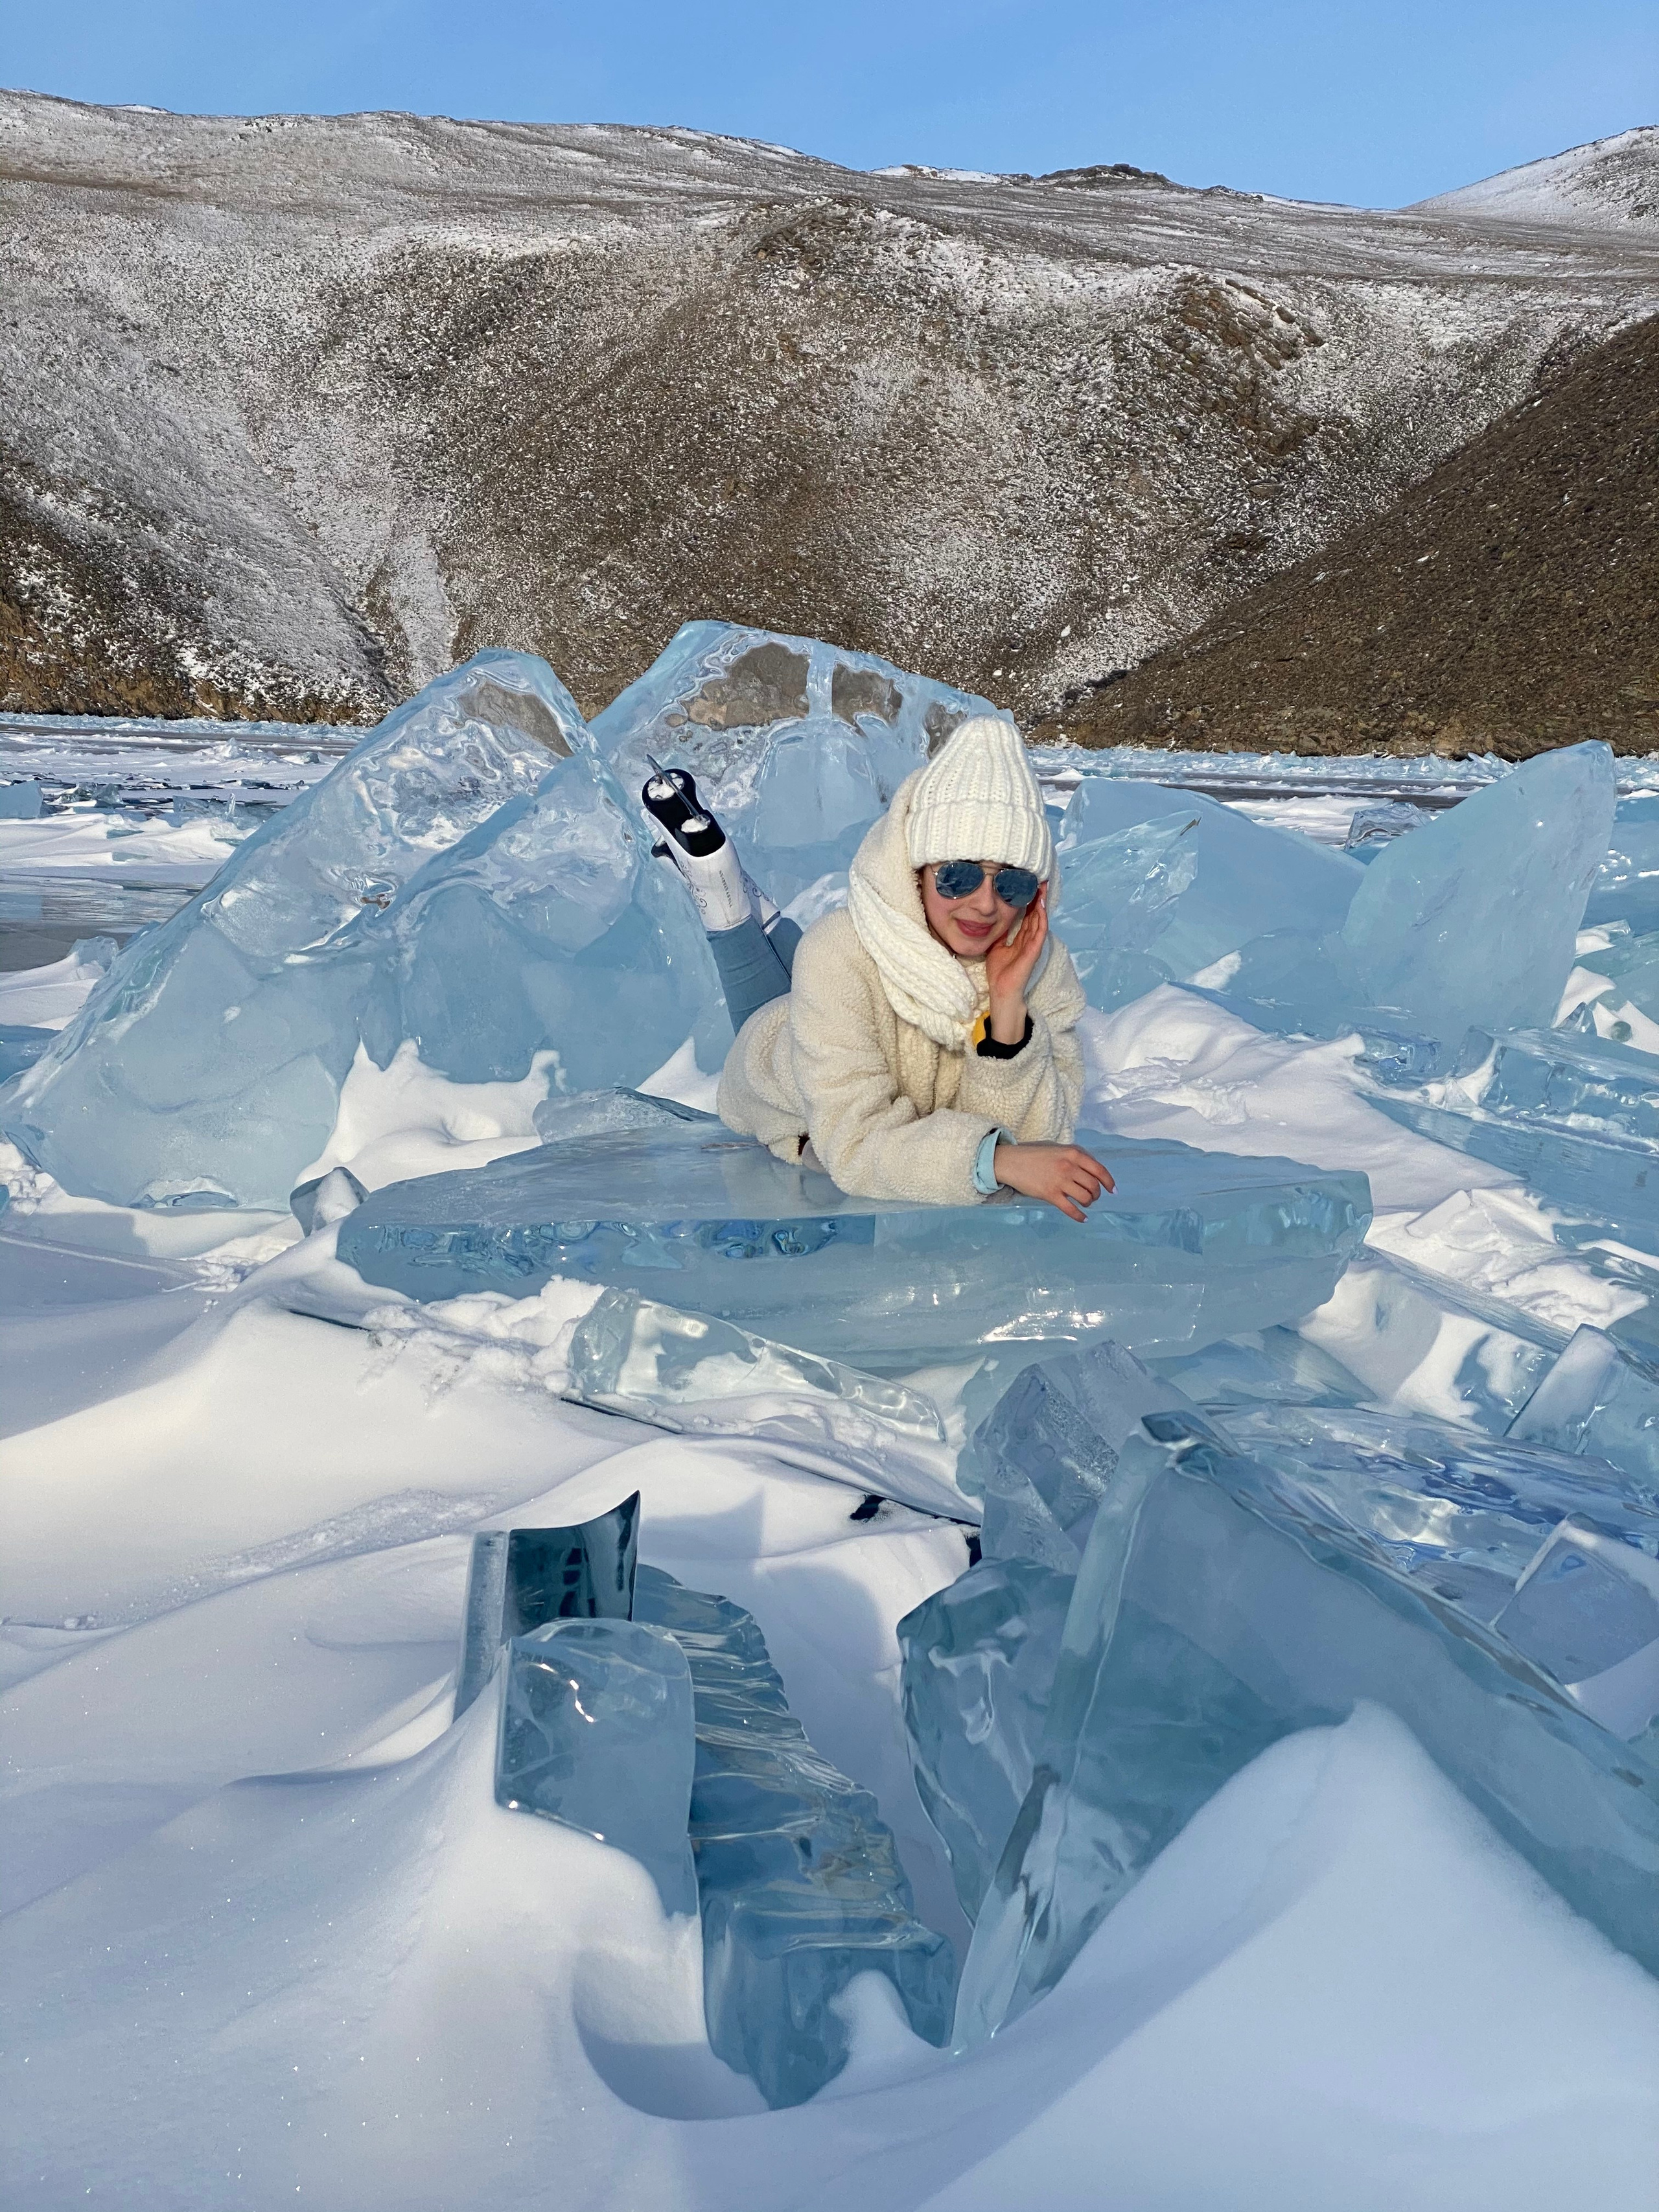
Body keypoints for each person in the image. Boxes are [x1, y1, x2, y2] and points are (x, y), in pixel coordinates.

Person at [644, 716, 1113, 1218]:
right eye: (957, 876)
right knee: (760, 962)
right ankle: (720, 885)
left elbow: (1038, 1149)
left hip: (832, 1009)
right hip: (774, 1063)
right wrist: (993, 1160)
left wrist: (1007, 1016)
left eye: (1011, 884)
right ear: (914, 870)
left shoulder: (1043, 969)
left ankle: (744, 893)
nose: (983, 905)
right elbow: (859, 1146)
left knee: (809, 961)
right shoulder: (839, 952)